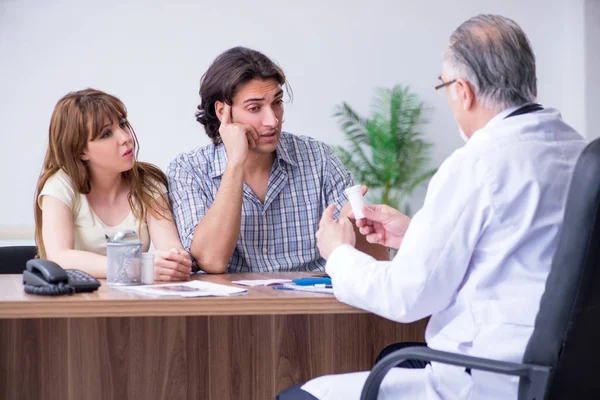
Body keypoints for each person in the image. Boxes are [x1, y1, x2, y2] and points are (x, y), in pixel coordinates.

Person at [277, 14, 586, 400]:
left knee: (298, 396)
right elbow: (520, 256)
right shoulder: (577, 151)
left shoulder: (478, 162)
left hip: (487, 379)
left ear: (463, 91)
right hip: (564, 377)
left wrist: (337, 254)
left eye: (444, 87)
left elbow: (406, 297)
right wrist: (415, 235)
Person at [167, 46, 387, 273]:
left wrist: (356, 224)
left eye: (277, 103)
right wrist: (235, 164)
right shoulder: (189, 169)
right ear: (223, 112)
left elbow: (376, 260)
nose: (272, 121)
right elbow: (211, 260)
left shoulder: (318, 157)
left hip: (314, 303)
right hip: (232, 307)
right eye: (255, 108)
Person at [34, 89, 192, 281]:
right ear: (80, 151)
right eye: (106, 133)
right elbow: (60, 257)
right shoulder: (59, 186)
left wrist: (175, 261)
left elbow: (171, 248)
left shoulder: (148, 184)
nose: (125, 137)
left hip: (131, 301)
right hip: (76, 302)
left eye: (123, 124)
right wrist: (138, 268)